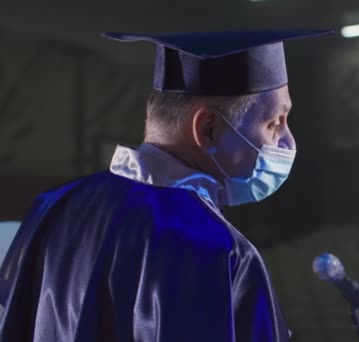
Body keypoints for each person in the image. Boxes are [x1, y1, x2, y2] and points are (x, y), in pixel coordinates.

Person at [0, 29, 332, 341]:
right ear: (209, 129)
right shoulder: (214, 249)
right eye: (275, 122)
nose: (287, 142)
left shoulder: (53, 209)